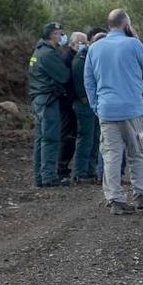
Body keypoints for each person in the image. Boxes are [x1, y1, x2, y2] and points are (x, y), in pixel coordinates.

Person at [84, 9, 143, 215]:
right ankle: (141, 196)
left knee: (111, 155)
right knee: (137, 154)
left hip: (106, 111)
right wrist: (136, 38)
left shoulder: (94, 48)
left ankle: (115, 199)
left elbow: (88, 80)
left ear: (109, 25)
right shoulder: (133, 44)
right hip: (132, 110)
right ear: (126, 25)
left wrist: (95, 106)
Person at [27, 22, 71, 187]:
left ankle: (40, 177)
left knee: (41, 139)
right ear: (53, 35)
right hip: (47, 100)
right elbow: (64, 76)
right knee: (50, 138)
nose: (62, 36)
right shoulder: (48, 54)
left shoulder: (39, 51)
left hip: (39, 100)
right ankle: (48, 177)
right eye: (60, 33)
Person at [68, 32, 100, 183]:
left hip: (92, 104)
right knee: (86, 139)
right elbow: (81, 85)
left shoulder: (89, 57)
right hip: (85, 105)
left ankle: (90, 171)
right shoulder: (81, 59)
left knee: (94, 139)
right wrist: (87, 100)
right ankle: (80, 173)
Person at [55, 29, 77, 181]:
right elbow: (65, 79)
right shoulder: (66, 57)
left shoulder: (72, 55)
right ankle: (61, 168)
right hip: (66, 103)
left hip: (69, 101)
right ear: (73, 43)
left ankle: (63, 167)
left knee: (70, 135)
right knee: (66, 136)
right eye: (81, 43)